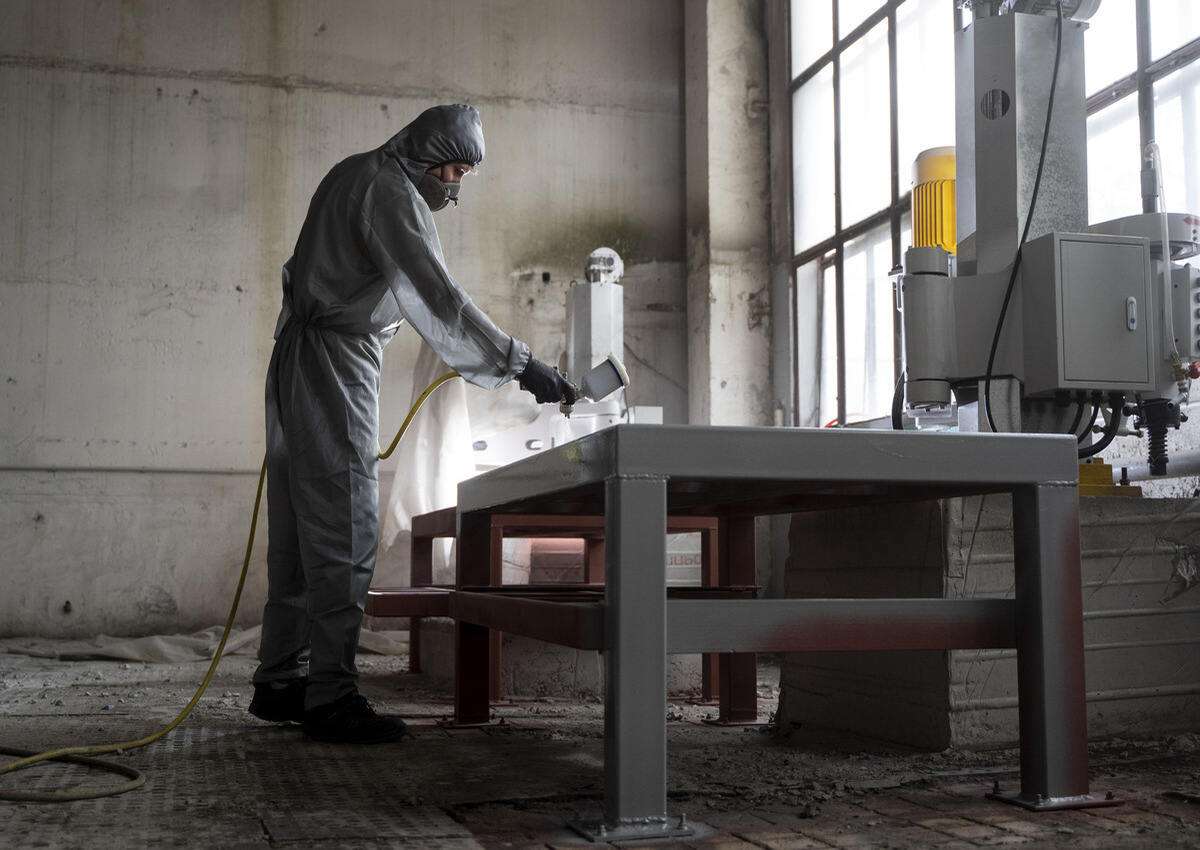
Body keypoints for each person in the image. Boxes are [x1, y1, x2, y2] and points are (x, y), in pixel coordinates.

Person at [247, 104, 575, 743]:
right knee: (345, 523)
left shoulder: (355, 174)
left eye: (463, 173)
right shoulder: (390, 189)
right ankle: (332, 696)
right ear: (422, 155)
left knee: (299, 528)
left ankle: (281, 679)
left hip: (302, 353)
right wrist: (523, 364)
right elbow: (438, 294)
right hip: (336, 361)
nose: (453, 183)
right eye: (450, 167)